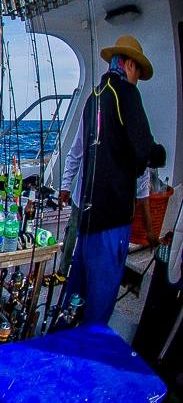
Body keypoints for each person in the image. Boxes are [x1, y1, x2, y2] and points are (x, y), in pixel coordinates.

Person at [57, 35, 163, 327]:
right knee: (101, 297)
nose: (137, 80)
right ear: (129, 65)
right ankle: (90, 352)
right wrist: (159, 154)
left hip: (89, 215)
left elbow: (82, 148)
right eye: (138, 73)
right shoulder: (127, 94)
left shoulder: (94, 97)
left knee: (77, 287)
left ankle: (64, 334)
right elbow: (144, 150)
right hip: (113, 216)